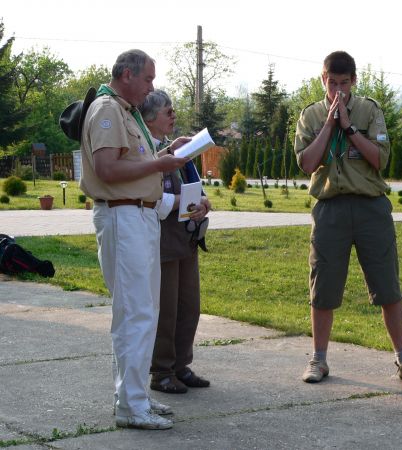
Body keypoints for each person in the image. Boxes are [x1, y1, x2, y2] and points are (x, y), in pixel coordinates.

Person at [294, 51, 402, 384]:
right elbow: (307, 163)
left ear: (353, 80)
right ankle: (319, 360)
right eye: (331, 82)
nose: (337, 90)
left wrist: (349, 127)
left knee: (387, 286)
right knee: (323, 286)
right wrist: (329, 123)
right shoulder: (310, 116)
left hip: (370, 207)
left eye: (343, 83)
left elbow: (380, 159)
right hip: (330, 208)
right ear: (323, 79)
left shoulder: (369, 110)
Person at [79, 49, 191, 430]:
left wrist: (167, 152)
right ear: (126, 74)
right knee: (134, 315)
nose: (151, 87)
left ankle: (134, 398)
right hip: (122, 215)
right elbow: (108, 168)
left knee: (142, 313)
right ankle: (131, 405)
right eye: (148, 79)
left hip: (140, 215)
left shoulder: (126, 112)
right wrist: (161, 164)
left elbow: (133, 163)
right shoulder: (107, 109)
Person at [139, 90, 211, 394]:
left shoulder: (174, 150)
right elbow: (145, 193)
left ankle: (181, 366)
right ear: (151, 117)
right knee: (166, 310)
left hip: (185, 238)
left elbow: (190, 186)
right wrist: (182, 201)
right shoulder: (141, 149)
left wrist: (202, 203)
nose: (174, 116)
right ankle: (161, 371)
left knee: (188, 306)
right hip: (162, 240)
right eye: (168, 112)